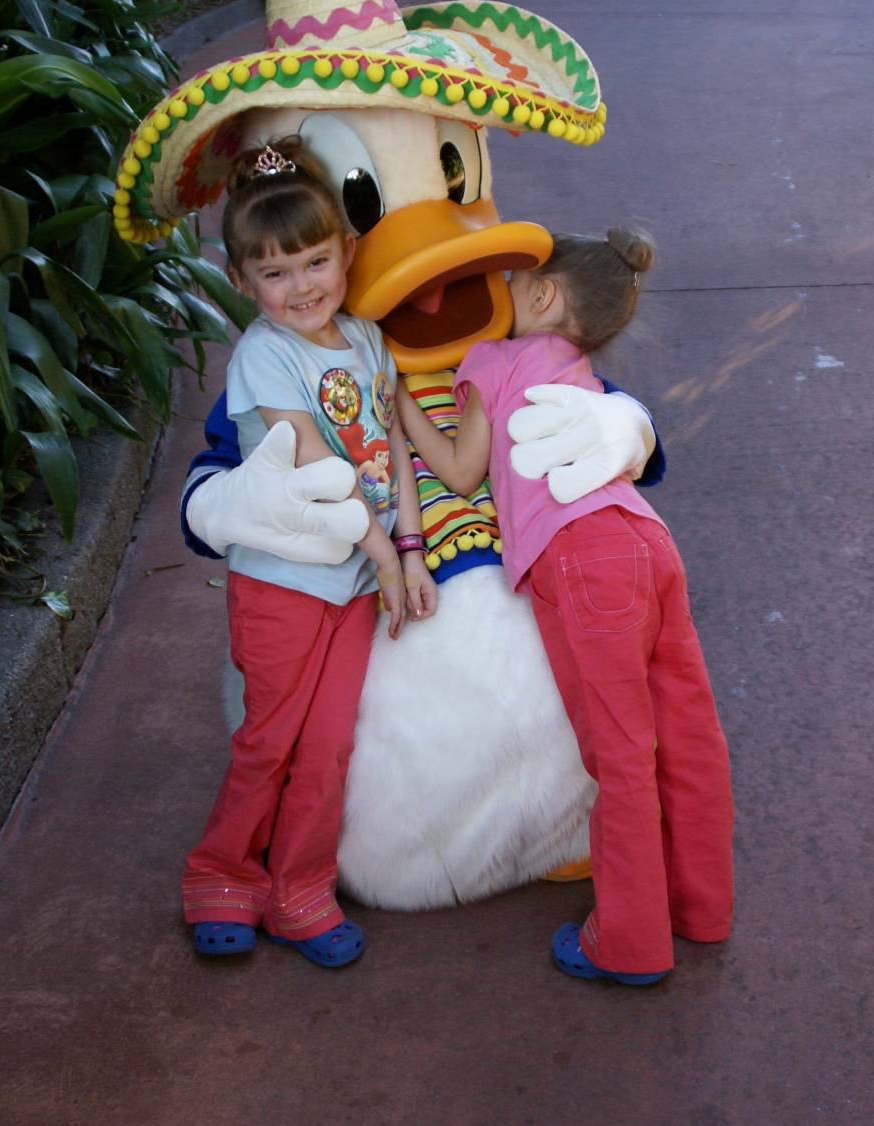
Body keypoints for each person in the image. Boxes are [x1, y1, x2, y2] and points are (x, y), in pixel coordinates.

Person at [395, 231, 733, 986]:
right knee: (686, 736)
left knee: (619, 757)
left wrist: (399, 407)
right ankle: (701, 907)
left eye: (512, 283)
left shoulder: (491, 360)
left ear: (543, 296)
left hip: (580, 562)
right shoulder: (579, 371)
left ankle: (630, 942)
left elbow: (457, 472)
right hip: (646, 543)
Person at [184, 139, 437, 968]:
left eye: (315, 261)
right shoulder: (263, 353)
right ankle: (220, 875)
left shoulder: (366, 342)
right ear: (241, 281)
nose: (300, 287)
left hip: (356, 584)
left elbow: (392, 447)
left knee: (327, 747)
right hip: (283, 586)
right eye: (275, 272)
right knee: (269, 740)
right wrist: (387, 556)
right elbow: (317, 468)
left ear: (347, 253)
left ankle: (300, 890)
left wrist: (407, 546)